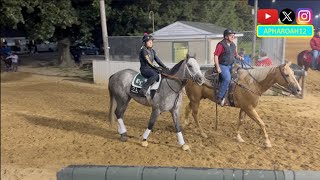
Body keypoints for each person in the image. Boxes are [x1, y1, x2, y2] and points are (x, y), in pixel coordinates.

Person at [214, 29, 244, 106]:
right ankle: (219, 97)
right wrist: (218, 67)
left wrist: (239, 57)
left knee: (238, 77)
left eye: (233, 35)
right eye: (231, 35)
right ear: (226, 36)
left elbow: (235, 55)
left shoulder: (233, 45)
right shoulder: (221, 45)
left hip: (231, 65)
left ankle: (230, 96)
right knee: (227, 79)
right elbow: (216, 56)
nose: (233, 36)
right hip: (222, 65)